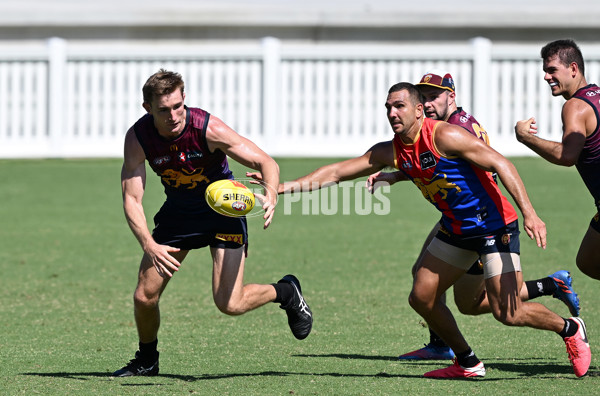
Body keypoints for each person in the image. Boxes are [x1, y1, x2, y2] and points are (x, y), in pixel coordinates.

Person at [251, 82, 590, 378]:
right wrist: (282, 187)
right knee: (423, 296)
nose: (392, 113)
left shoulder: (445, 134)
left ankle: (569, 328)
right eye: (387, 108)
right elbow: (337, 172)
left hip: (494, 226)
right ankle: (467, 361)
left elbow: (501, 163)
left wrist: (529, 213)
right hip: (456, 230)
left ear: (418, 110)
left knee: (507, 312)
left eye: (399, 106)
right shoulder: (391, 151)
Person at [367, 71, 580, 361]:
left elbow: (479, 167)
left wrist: (529, 213)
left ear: (451, 97)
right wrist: (395, 176)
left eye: (433, 97)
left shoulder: (456, 128)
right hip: (457, 216)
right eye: (424, 98)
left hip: (483, 219)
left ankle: (554, 300)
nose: (427, 104)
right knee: (459, 297)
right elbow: (431, 165)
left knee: (494, 304)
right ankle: (444, 341)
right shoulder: (440, 126)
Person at [113, 69, 312, 377]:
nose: (173, 115)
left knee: (229, 304)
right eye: (163, 109)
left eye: (178, 106)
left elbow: (265, 162)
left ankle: (285, 292)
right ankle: (147, 359)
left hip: (224, 213)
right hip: (179, 214)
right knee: (144, 296)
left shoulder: (207, 128)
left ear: (184, 100)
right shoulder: (139, 138)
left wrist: (271, 193)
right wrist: (149, 244)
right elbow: (132, 199)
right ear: (148, 108)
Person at [515, 39, 600, 282]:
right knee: (587, 260)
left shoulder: (575, 106)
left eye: (552, 70)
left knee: (589, 261)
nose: (546, 77)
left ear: (573, 69)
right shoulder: (596, 96)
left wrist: (525, 138)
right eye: (545, 71)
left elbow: (567, 156)